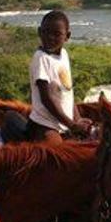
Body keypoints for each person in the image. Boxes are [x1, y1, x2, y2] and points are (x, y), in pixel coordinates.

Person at [26, 10, 94, 143]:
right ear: (39, 32)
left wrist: (77, 119)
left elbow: (68, 93)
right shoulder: (41, 58)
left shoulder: (64, 55)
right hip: (45, 125)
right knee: (58, 154)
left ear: (67, 36)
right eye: (46, 32)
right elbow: (47, 99)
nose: (50, 37)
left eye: (57, 34)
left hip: (64, 123)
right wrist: (72, 125)